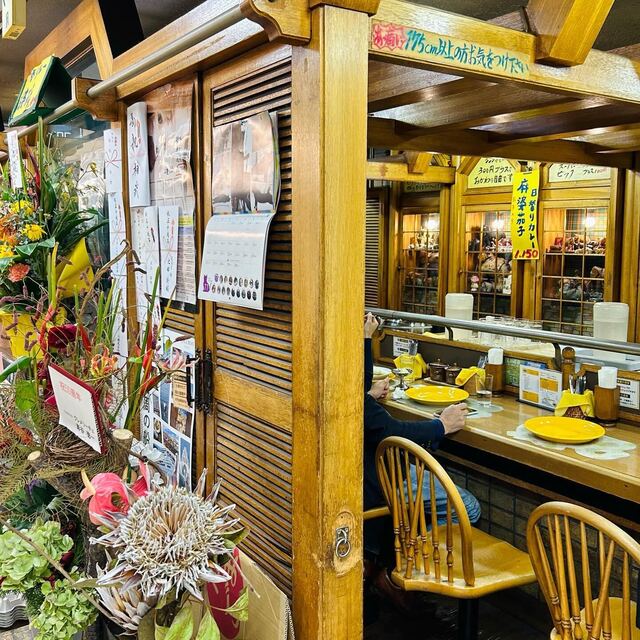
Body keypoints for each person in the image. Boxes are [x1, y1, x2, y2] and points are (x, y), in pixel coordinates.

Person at [363, 313, 481, 613]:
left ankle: (388, 562)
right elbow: (387, 431)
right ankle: (401, 570)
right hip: (373, 475)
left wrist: (368, 395)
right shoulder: (346, 346)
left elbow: (359, 403)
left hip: (365, 468)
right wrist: (441, 426)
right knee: (468, 508)